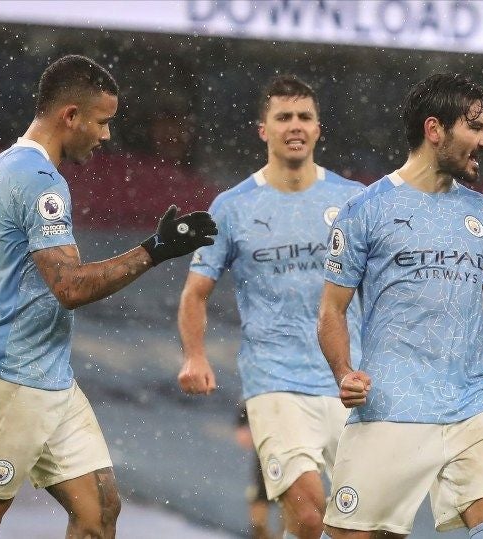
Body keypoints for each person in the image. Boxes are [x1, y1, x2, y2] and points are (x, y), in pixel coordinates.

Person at [0, 54, 217, 539]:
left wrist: (8, 315)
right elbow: (70, 287)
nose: (107, 135)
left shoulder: (8, 161)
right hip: (8, 382)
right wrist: (157, 249)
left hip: (47, 378)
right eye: (103, 122)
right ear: (71, 116)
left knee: (99, 513)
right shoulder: (40, 181)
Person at [317, 72, 483, 539]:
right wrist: (343, 373)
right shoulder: (365, 210)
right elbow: (331, 312)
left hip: (472, 405)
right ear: (434, 130)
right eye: (475, 127)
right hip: (393, 402)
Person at [176, 75, 364, 539]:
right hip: (274, 381)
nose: (294, 125)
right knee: (308, 513)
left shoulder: (354, 200)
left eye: (304, 117)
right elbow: (195, 292)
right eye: (283, 117)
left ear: (319, 128)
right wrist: (195, 355)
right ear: (263, 129)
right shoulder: (232, 207)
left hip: (347, 379)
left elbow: (386, 284)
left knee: (358, 525)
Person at [235, 405, 282, 539]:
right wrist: (242, 421)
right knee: (259, 516)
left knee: (294, 505)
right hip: (269, 444)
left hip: (298, 443)